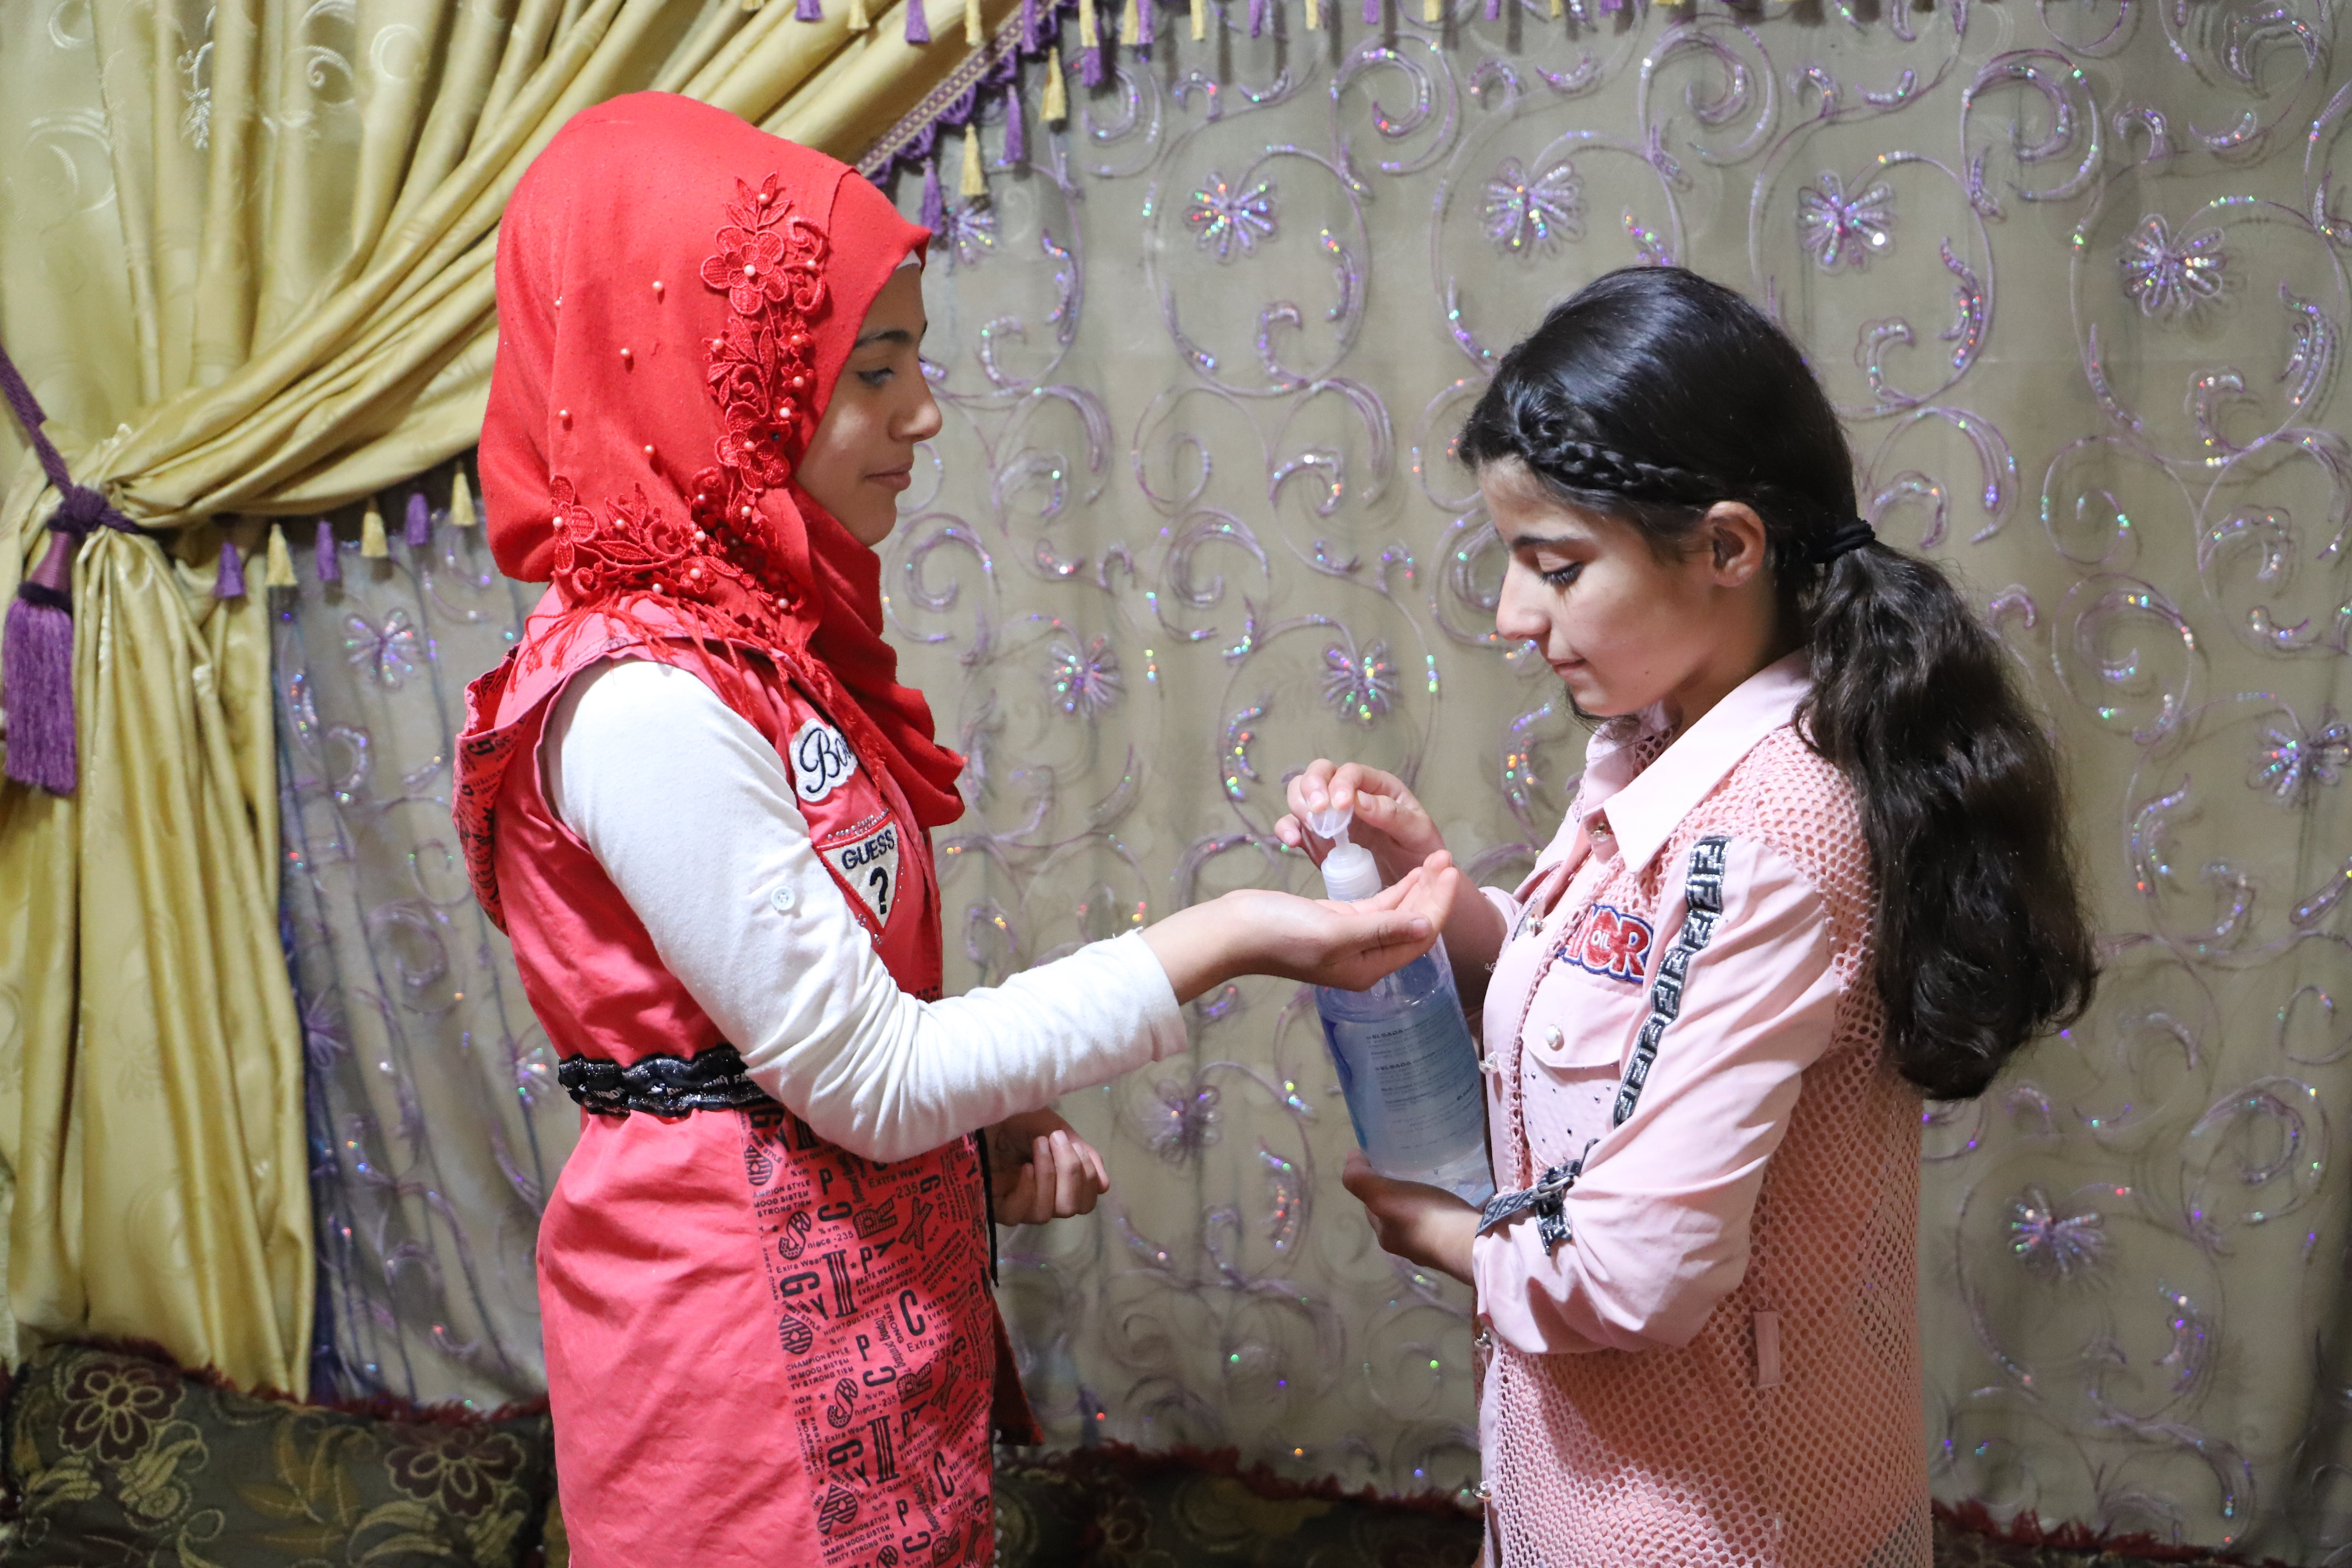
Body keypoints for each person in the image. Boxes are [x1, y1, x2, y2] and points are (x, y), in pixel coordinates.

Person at [451, 93, 1456, 1568]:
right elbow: (866, 1076)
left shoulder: (746, 654)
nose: (923, 414)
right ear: (709, 381)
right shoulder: (641, 702)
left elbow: (815, 1035)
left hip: (861, 1346)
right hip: (745, 1403)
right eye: (875, 370)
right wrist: (1234, 935)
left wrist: (972, 1123)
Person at [1276, 266, 2097, 1568]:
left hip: (1710, 1528)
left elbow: (1635, 1272)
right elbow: (1608, 1002)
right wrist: (1433, 899)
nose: (1512, 616)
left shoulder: (1769, 838)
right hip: (1580, 1501)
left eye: (1555, 568)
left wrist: (1442, 1234)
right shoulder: (1663, 748)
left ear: (1727, 548)